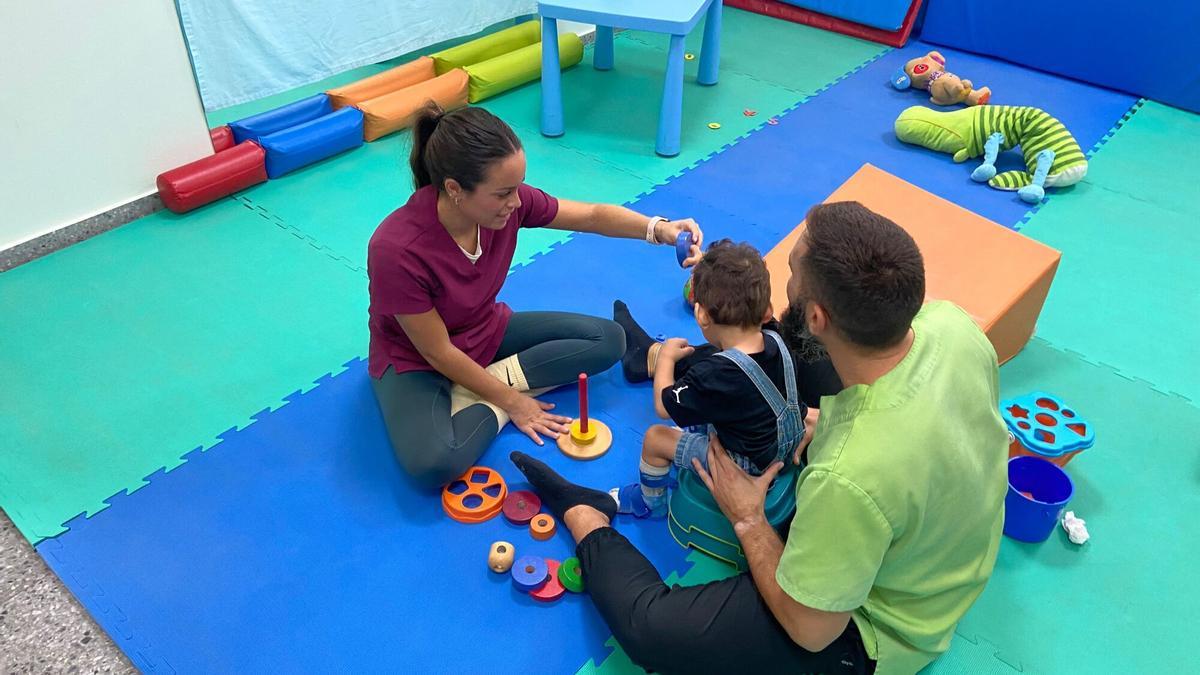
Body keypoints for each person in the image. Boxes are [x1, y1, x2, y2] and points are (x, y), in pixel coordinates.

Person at [509, 202, 1009, 674]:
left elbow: (812, 629)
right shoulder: (952, 324)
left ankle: (588, 517)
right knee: (757, 352)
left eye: (790, 274)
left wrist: (748, 518)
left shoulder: (848, 478)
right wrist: (821, 419)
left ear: (817, 313)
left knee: (649, 629)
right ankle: (648, 357)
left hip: (874, 627)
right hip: (925, 530)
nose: (783, 287)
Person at [367, 105, 704, 488]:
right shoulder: (396, 250)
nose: (516, 201)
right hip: (418, 360)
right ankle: (495, 391)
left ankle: (485, 385)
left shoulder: (506, 206)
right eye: (503, 193)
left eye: (518, 186)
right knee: (434, 464)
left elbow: (591, 215)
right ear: (454, 190)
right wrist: (515, 404)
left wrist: (658, 228)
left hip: (483, 330)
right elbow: (437, 352)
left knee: (610, 339)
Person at [609, 241, 806, 518]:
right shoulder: (777, 336)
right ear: (767, 311)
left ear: (701, 315)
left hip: (743, 465)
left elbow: (664, 407)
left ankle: (648, 503)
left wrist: (665, 358)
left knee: (655, 438)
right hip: (782, 444)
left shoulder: (712, 374)